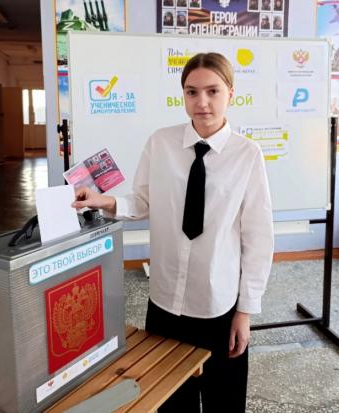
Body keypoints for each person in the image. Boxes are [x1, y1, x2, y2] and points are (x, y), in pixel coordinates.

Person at [72, 53, 274, 413]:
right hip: (165, 302)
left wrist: (245, 312)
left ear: (230, 92)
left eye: (213, 91)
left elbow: (258, 238)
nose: (202, 102)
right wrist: (104, 201)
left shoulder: (247, 154)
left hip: (217, 305)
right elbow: (143, 200)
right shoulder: (161, 143)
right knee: (170, 402)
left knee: (224, 402)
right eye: (192, 92)